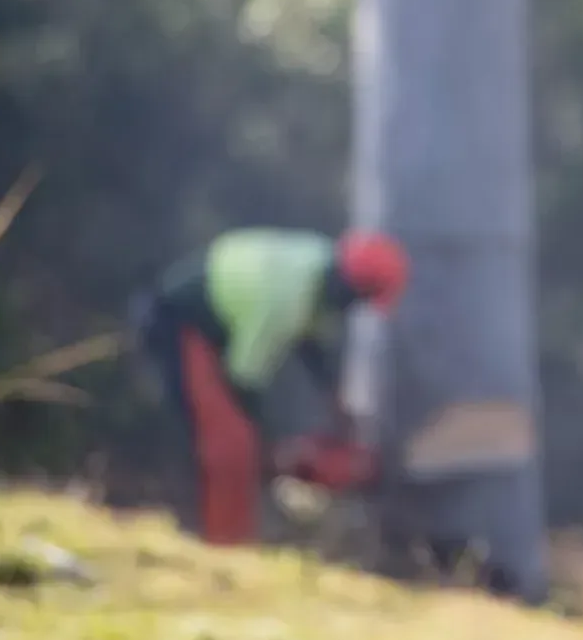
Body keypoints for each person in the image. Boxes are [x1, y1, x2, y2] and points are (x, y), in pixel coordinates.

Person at [133, 227, 409, 545]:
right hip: (184, 320)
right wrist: (271, 448)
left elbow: (315, 351)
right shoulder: (286, 299)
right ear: (349, 287)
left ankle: (232, 538)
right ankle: (224, 545)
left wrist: (340, 413)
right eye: (360, 299)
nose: (354, 309)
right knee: (233, 446)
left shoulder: (320, 271)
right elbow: (244, 378)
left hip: (220, 325)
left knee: (241, 442)